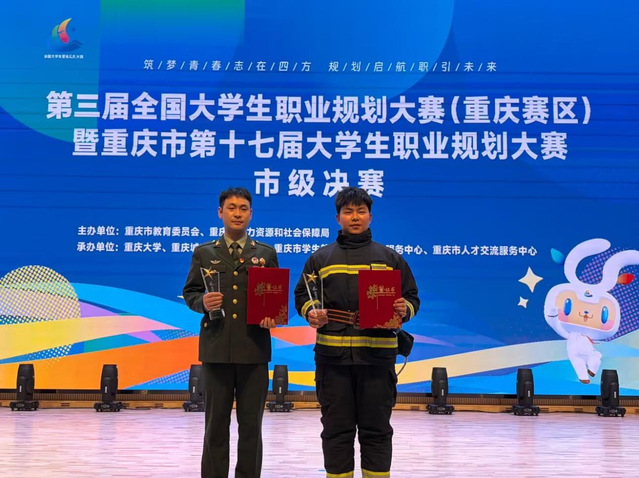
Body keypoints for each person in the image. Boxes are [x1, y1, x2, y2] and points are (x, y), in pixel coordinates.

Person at [294, 187, 420, 478]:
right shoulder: (320, 259)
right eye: (348, 211)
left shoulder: (390, 258)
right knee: (336, 429)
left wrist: (404, 308)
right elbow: (303, 295)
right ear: (337, 217)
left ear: (370, 217)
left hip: (377, 358)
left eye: (360, 211)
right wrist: (311, 311)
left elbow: (412, 297)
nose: (354, 217)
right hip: (332, 358)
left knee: (377, 429)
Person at [183, 187, 279, 478]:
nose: (237, 213)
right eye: (232, 208)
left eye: (243, 208)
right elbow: (190, 293)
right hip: (217, 348)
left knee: (251, 427)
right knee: (215, 425)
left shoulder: (265, 253)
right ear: (220, 212)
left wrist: (272, 316)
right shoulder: (204, 252)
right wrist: (202, 302)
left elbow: (273, 298)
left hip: (254, 349)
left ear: (251, 214)